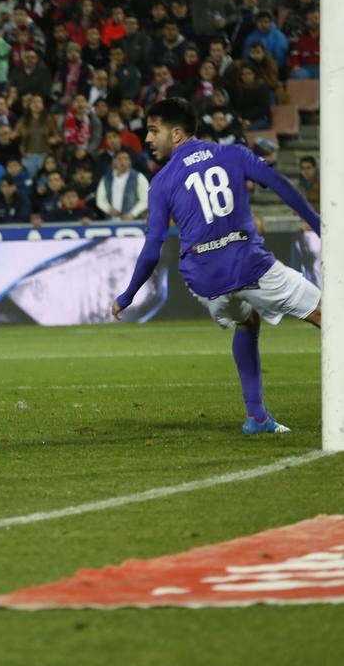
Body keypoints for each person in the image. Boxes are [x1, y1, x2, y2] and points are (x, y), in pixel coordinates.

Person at [112, 98, 321, 434]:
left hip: (204, 280)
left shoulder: (161, 182)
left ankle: (257, 418)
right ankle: (257, 417)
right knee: (328, 314)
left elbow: (152, 249)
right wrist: (319, 225)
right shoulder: (233, 154)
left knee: (247, 321)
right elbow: (279, 184)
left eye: (153, 130)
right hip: (249, 266)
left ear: (176, 133)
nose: (147, 138)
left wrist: (127, 295)